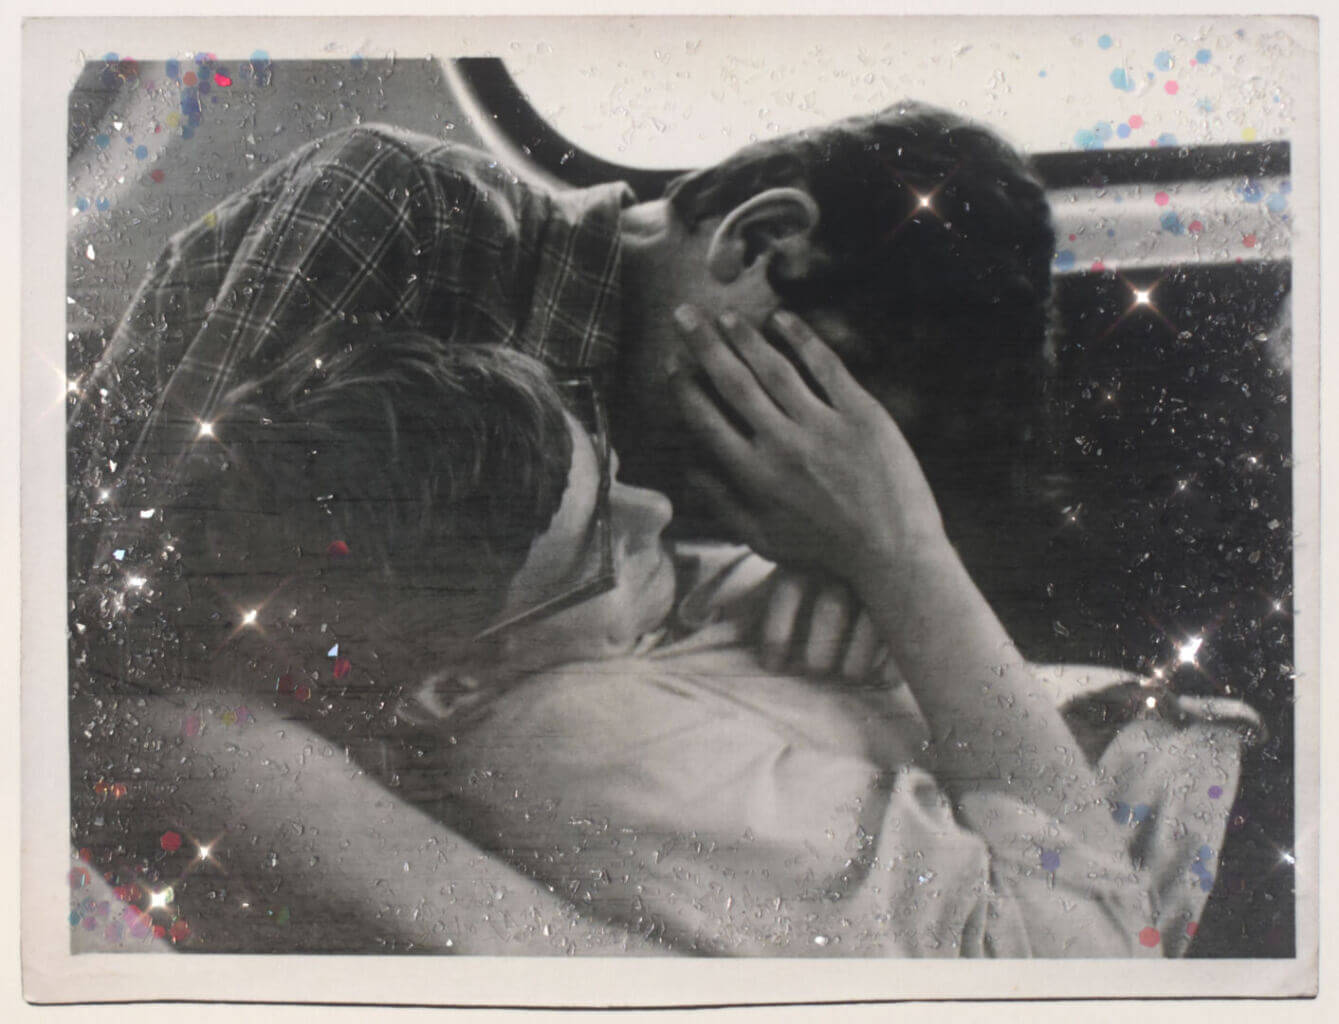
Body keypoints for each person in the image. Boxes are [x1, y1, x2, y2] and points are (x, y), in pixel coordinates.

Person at [139, 322, 1256, 958]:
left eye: (614, 473)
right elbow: (1075, 958)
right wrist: (904, 560)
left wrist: (848, 605)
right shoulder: (579, 746)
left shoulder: (571, 633)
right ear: (448, 685)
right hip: (1210, 862)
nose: (659, 516)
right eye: (602, 544)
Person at [69, 101, 1057, 672]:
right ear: (759, 243)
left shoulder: (669, 427)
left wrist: (853, 566)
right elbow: (137, 620)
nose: (798, 476)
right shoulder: (405, 213)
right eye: (805, 405)